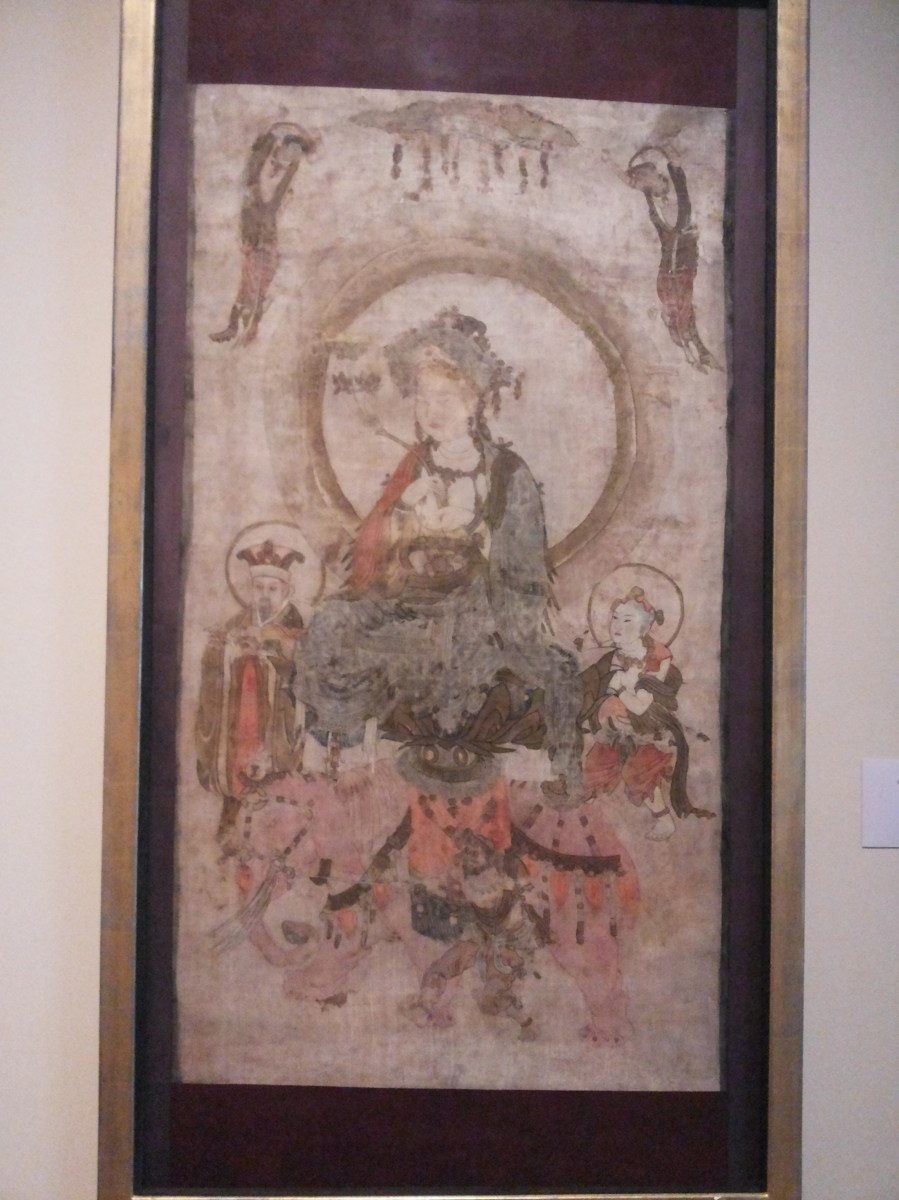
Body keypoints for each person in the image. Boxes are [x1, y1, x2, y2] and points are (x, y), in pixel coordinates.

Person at [295, 307, 583, 792]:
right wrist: (402, 527)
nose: (434, 410)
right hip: (406, 601)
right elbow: (378, 556)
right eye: (424, 398)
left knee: (449, 647)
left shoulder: (506, 473)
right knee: (331, 622)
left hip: (478, 609)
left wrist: (479, 549)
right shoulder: (413, 465)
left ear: (474, 402)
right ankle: (338, 753)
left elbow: (523, 572)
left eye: (446, 397)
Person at [578, 585, 713, 839]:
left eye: (627, 620)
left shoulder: (655, 661)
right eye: (615, 618)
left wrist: (620, 687)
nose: (617, 626)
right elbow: (590, 686)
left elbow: (645, 703)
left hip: (646, 731)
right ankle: (586, 814)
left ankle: (664, 821)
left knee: (641, 773)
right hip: (612, 730)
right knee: (596, 766)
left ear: (645, 628)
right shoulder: (611, 659)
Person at [195, 540, 307, 844]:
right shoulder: (236, 623)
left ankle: (275, 833)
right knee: (237, 765)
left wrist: (267, 651)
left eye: (272, 588)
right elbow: (213, 658)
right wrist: (229, 651)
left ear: (287, 591)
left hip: (276, 719)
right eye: (259, 588)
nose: (265, 595)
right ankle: (231, 823)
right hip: (241, 713)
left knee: (275, 774)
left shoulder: (296, 626)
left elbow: (305, 665)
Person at [210, 122, 318, 345]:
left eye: (298, 153)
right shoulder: (262, 164)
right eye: (293, 149)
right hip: (253, 234)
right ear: (283, 146)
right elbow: (255, 173)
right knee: (248, 283)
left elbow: (278, 202)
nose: (295, 156)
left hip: (268, 238)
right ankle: (235, 327)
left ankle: (249, 329)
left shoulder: (289, 173)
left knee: (259, 284)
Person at [623, 148, 717, 372]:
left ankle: (697, 352)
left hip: (685, 266)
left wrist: (663, 148)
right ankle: (695, 352)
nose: (646, 183)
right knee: (678, 310)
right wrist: (609, 162)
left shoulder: (680, 197)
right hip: (668, 270)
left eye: (649, 177)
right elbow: (630, 181)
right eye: (644, 180)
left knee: (683, 309)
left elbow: (675, 166)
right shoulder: (652, 201)